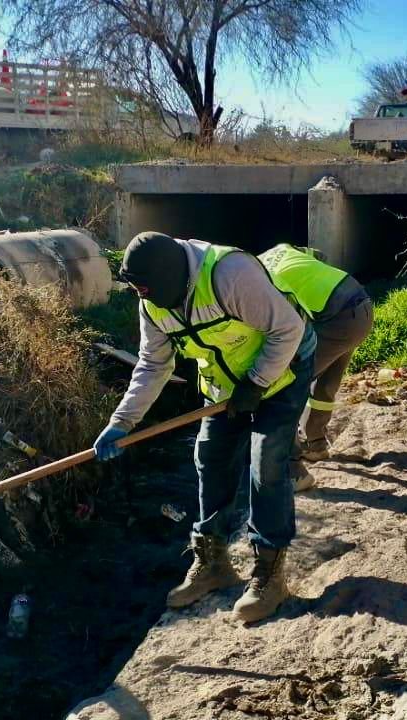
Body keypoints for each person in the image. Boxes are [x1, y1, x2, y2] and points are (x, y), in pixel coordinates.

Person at [93, 232, 316, 624]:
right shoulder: (152, 302)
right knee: (209, 458)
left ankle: (269, 573)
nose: (150, 303)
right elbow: (153, 365)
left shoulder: (230, 274)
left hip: (282, 370)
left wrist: (257, 383)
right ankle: (212, 562)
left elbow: (287, 330)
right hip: (226, 386)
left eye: (157, 295)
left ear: (179, 278)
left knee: (266, 463)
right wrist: (121, 422)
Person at [257, 243, 374, 491]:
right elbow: (319, 256)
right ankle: (316, 445)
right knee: (326, 382)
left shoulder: (257, 280)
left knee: (285, 388)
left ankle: (293, 471)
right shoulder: (281, 249)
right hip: (360, 304)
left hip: (335, 320)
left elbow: (279, 328)